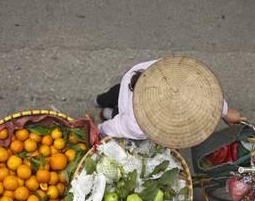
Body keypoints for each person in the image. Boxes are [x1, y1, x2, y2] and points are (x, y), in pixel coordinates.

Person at [95, 56, 243, 149]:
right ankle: (105, 109)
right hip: (128, 98)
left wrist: (224, 111)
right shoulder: (137, 124)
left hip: (135, 76)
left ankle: (101, 101)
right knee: (118, 110)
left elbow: (206, 95)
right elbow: (117, 126)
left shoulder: (175, 71)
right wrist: (100, 130)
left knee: (115, 92)